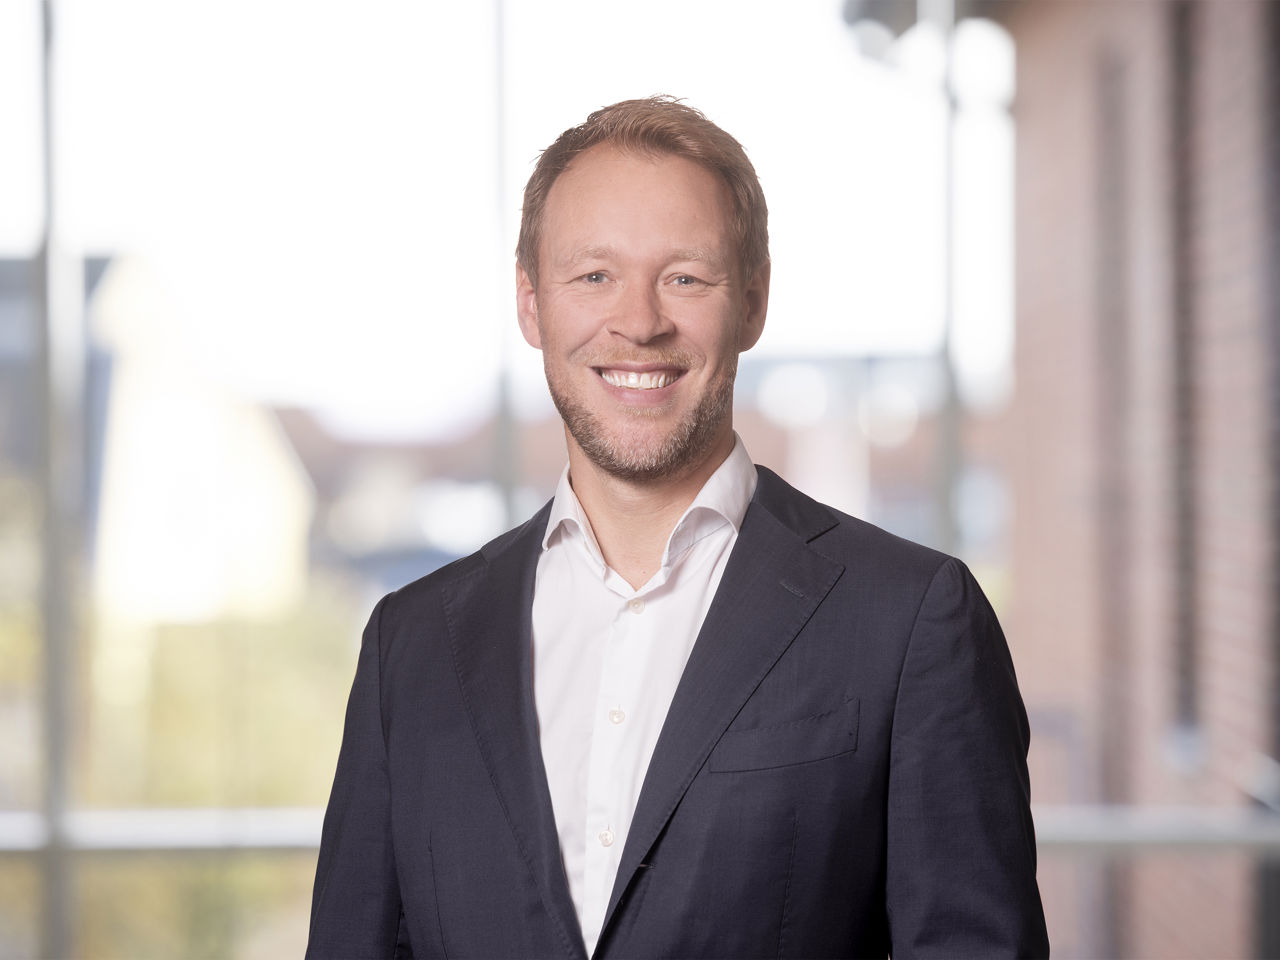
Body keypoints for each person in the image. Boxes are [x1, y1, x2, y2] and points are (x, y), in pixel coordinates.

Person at [306, 95, 1049, 959]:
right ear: (531, 304)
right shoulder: (412, 644)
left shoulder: (910, 620)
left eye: (686, 278)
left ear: (753, 303)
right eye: (594, 276)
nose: (639, 322)